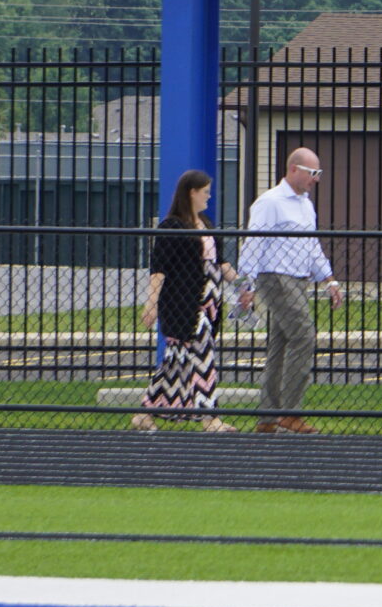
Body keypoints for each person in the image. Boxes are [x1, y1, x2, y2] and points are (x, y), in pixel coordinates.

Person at [235, 146, 345, 433]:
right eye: (312, 173)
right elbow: (253, 243)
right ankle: (289, 413)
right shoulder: (270, 202)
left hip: (297, 279)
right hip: (275, 277)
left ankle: (268, 417)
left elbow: (312, 246)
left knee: (280, 346)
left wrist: (329, 279)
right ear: (294, 169)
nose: (316, 179)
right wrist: (246, 285)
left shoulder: (306, 205)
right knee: (304, 336)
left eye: (318, 173)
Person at [137, 169, 236, 433]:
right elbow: (159, 269)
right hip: (186, 305)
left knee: (176, 361)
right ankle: (210, 418)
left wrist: (242, 285)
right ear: (191, 193)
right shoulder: (172, 227)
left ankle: (145, 413)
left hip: (209, 302)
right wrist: (152, 303)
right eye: (205, 192)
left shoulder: (205, 223)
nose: (209, 196)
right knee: (204, 358)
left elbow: (221, 262)